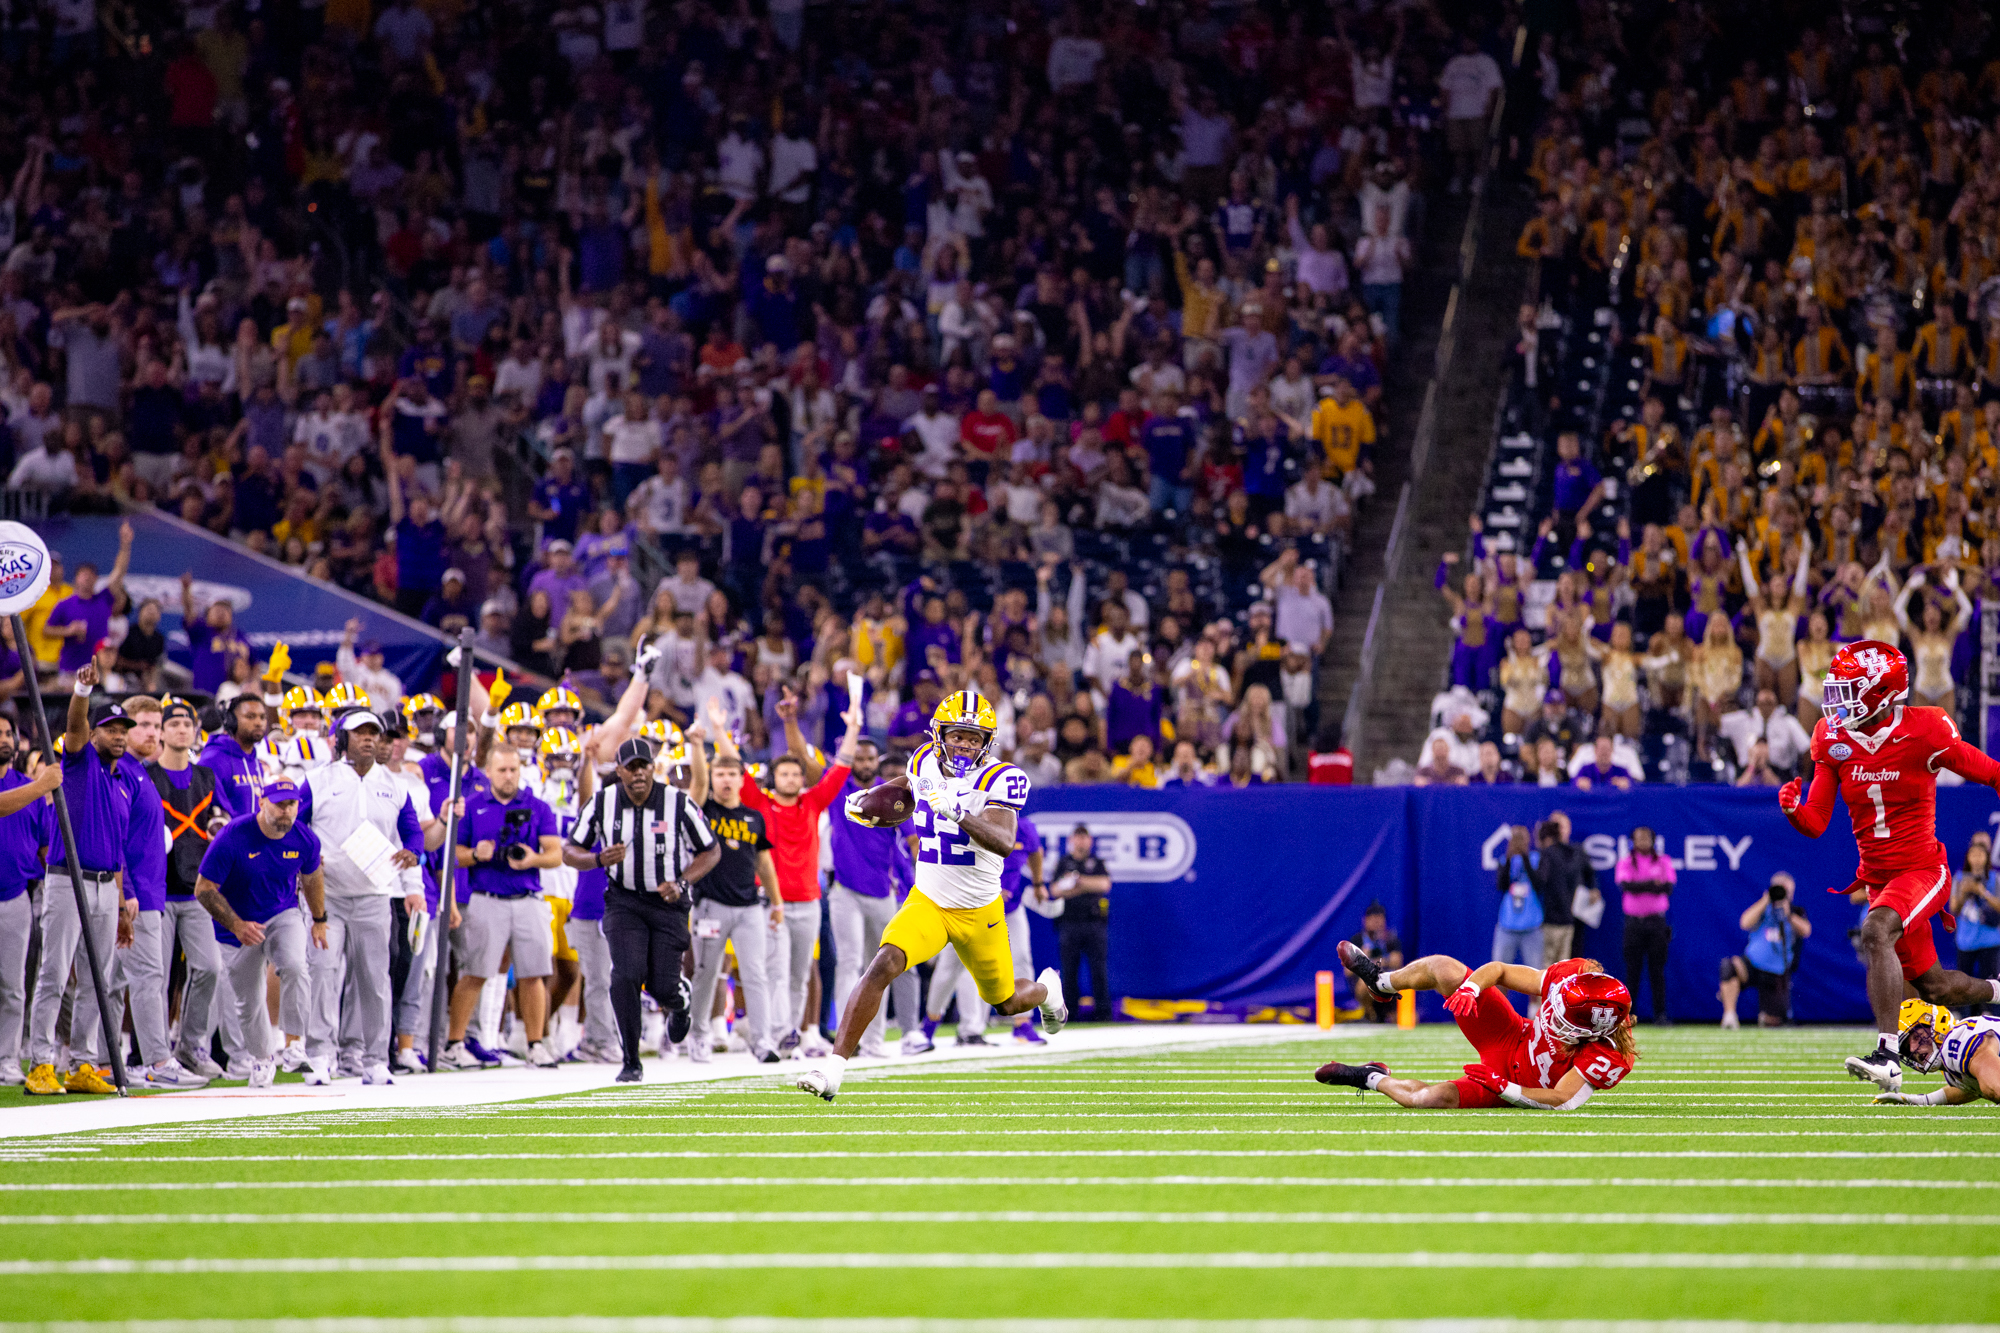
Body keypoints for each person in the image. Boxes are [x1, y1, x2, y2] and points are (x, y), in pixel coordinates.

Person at [795, 690, 1065, 1100]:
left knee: (1006, 1002)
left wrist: (958, 812)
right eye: (958, 735)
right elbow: (910, 788)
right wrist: (872, 800)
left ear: (988, 743)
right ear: (939, 734)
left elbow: (1005, 840)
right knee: (884, 962)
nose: (966, 745)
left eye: (975, 739)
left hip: (980, 910)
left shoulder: (1002, 777)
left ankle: (1047, 990)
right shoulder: (922, 759)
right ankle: (833, 1070)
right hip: (930, 900)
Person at [1779, 640, 2000, 1092]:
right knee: (1937, 987)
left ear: (1880, 692)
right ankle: (1998, 991)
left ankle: (1887, 1055)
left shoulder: (1927, 729)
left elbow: (1991, 772)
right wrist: (1795, 813)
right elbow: (1818, 820)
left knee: (1876, 930)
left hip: (1923, 870)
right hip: (1880, 880)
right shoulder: (1832, 736)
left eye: (1849, 689)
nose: (1837, 701)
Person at [563, 737, 721, 1083]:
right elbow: (569, 851)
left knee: (661, 987)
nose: (638, 773)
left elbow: (710, 850)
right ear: (618, 771)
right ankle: (631, 1059)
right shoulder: (601, 803)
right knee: (625, 974)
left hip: (668, 902)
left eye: (643, 766)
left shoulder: (677, 802)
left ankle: (679, 1000)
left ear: (653, 768)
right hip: (624, 900)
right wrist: (598, 859)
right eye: (630, 767)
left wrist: (681, 882)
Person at [709, 693, 859, 1056]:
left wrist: (853, 727)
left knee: (800, 973)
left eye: (796, 773)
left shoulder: (813, 802)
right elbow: (735, 765)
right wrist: (717, 729)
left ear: (802, 779)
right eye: (784, 773)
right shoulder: (760, 803)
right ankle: (779, 1032)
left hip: (809, 901)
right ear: (774, 777)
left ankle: (789, 1033)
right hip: (770, 903)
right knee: (775, 969)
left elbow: (841, 768)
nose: (790, 778)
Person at [1323, 948, 1636, 1109]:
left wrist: (1505, 1088)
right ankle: (1382, 983)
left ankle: (1371, 1077)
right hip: (1512, 1034)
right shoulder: (1573, 978)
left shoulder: (1609, 1053)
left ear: (1590, 1034)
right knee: (1446, 969)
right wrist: (1471, 989)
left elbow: (1561, 1099)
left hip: (1516, 1084)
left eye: (1561, 1021)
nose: (1551, 1017)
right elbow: (1499, 970)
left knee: (1432, 1099)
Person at [299, 711, 427, 1084]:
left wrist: (413, 853)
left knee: (375, 979)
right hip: (327, 895)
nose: (369, 739)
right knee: (322, 973)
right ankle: (320, 1054)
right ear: (341, 738)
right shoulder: (316, 780)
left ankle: (374, 1059)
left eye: (374, 733)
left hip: (374, 893)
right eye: (360, 733)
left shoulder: (395, 784)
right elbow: (297, 825)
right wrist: (307, 855)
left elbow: (412, 831)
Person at [26, 667, 137, 1097]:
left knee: (98, 978)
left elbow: (118, 850)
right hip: (66, 879)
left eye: (124, 730)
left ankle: (83, 1063)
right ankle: (40, 1063)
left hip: (106, 884)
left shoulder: (122, 782)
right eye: (110, 729)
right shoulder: (78, 762)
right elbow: (74, 726)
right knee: (54, 972)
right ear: (94, 736)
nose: (120, 736)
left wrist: (122, 899)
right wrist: (82, 690)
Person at [192, 779, 330, 1089]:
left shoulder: (305, 839)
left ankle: (295, 1044)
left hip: (282, 912)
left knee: (296, 965)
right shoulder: (233, 837)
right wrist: (237, 925)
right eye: (279, 804)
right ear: (262, 802)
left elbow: (312, 878)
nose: (286, 811)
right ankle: (261, 1057)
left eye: (292, 804)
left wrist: (319, 919)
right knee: (247, 999)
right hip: (235, 923)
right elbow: (203, 888)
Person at [443, 747, 566, 1069]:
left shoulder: (536, 807)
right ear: (489, 772)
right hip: (486, 897)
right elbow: (453, 853)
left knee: (534, 974)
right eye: (502, 770)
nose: (509, 776)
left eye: (513, 769)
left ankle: (535, 1044)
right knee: (475, 972)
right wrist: (476, 855)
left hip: (528, 897)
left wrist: (532, 858)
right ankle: (455, 1042)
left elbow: (555, 853)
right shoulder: (471, 806)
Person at [147, 699, 232, 1078]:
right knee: (157, 976)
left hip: (197, 888)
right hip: (157, 889)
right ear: (162, 731)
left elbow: (226, 820)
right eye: (174, 722)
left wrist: (220, 823)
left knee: (210, 968)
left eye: (187, 723)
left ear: (196, 732)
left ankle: (191, 1044)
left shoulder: (207, 778)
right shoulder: (147, 776)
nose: (181, 728)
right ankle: (152, 1052)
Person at [825, 736, 923, 1059]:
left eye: (870, 759)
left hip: (883, 891)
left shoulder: (890, 793)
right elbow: (804, 759)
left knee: (881, 967)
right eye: (860, 758)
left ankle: (875, 1041)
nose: (865, 764)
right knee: (850, 962)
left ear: (876, 761)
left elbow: (913, 840)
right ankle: (846, 1041)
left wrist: (922, 876)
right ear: (851, 759)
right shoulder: (838, 787)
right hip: (845, 890)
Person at [688, 747, 782, 1064]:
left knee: (756, 973)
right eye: (720, 774)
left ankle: (762, 1040)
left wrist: (777, 902)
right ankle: (698, 1036)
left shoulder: (754, 818)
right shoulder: (702, 810)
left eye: (731, 774)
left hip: (748, 906)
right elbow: (697, 784)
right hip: (709, 904)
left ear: (742, 780)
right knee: (705, 972)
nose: (726, 780)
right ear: (712, 778)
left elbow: (764, 863)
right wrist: (698, 744)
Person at [926, 813, 1046, 1045]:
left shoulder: (1024, 827)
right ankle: (930, 1026)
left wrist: (1039, 883)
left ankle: (1022, 1023)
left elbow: (1035, 851)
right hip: (970, 906)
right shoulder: (971, 822)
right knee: (952, 967)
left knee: (1021, 957)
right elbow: (954, 864)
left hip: (1009, 907)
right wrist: (986, 890)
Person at [0, 718, 61, 1086]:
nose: (4, 740)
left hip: (15, 894)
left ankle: (7, 1057)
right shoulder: (33, 789)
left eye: (8, 733)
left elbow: (44, 848)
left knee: (12, 985)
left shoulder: (30, 789)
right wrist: (42, 786)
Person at [1718, 873, 1812, 1029]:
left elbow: (1806, 930)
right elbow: (1744, 922)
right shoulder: (1763, 909)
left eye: (1786, 890)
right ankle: (1729, 1015)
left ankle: (1767, 1013)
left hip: (1777, 971)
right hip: (1753, 964)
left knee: (1773, 1021)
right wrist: (1765, 900)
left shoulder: (1796, 911)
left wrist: (1788, 914)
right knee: (1729, 967)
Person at [1869, 1002, 2000, 1106]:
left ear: (1936, 1022)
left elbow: (1994, 1088)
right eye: (1907, 1049)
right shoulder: (1953, 1064)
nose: (1914, 1050)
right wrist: (1924, 1100)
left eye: (1915, 1037)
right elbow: (1973, 1085)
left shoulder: (1958, 1041)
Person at [1049, 823, 1112, 1023]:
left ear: (1090, 841)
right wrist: (1084, 886)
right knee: (1069, 972)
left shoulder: (1097, 862)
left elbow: (1104, 884)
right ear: (1071, 840)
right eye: (1078, 837)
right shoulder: (1063, 863)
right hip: (1069, 924)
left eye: (1085, 837)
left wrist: (1078, 882)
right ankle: (1071, 1015)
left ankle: (1103, 1015)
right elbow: (1055, 890)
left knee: (1099, 971)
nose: (1081, 841)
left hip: (1094, 923)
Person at [1616, 826, 1675, 1026]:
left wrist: (1641, 885)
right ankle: (1627, 1016)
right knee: (1632, 971)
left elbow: (1668, 887)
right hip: (1634, 923)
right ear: (1633, 840)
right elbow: (1626, 886)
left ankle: (1660, 1015)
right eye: (1638, 838)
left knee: (1657, 971)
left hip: (1656, 922)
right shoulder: (1626, 862)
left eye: (1646, 837)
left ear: (1653, 840)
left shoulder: (1663, 861)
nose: (1642, 841)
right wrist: (1652, 884)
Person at [1949, 838, 2000, 1009]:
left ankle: (1991, 1020)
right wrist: (1964, 893)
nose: (1977, 859)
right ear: (1968, 858)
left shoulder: (1995, 878)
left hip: (1990, 941)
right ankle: (1965, 1019)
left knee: (1991, 985)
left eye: (1981, 855)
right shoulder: (1959, 879)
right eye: (1973, 855)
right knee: (1963, 985)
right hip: (1966, 942)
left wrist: (1982, 892)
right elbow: (1954, 908)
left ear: (1987, 858)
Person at [1492, 825, 1544, 968]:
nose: (1519, 842)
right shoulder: (1504, 861)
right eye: (1516, 839)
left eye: (1522, 839)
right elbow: (1501, 886)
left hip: (1532, 927)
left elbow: (1539, 885)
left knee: (1536, 974)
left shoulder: (1536, 859)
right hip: (1507, 926)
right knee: (1498, 972)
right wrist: (1510, 857)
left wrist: (1525, 857)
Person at [1343, 902, 1403, 1022]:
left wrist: (1369, 961)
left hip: (1387, 979)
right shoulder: (1357, 940)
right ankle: (1369, 1012)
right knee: (1366, 982)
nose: (1376, 922)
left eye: (1379, 919)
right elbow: (1347, 971)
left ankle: (1391, 1013)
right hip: (1364, 983)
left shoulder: (1390, 938)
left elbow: (1397, 961)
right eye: (1373, 919)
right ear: (1365, 920)